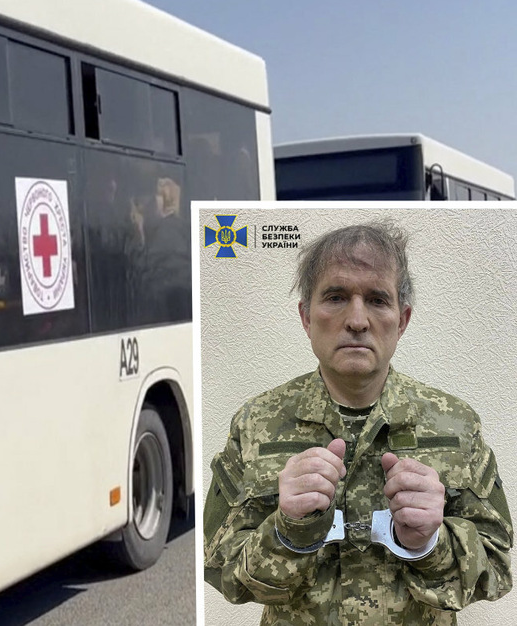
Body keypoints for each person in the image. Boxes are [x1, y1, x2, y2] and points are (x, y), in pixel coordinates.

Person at [203, 221, 513, 624]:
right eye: (335, 297)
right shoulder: (255, 423)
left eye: (377, 300)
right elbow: (220, 570)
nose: (357, 320)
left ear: (401, 320)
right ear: (305, 317)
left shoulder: (456, 424)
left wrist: (428, 544)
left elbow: (497, 570)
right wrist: (287, 532)